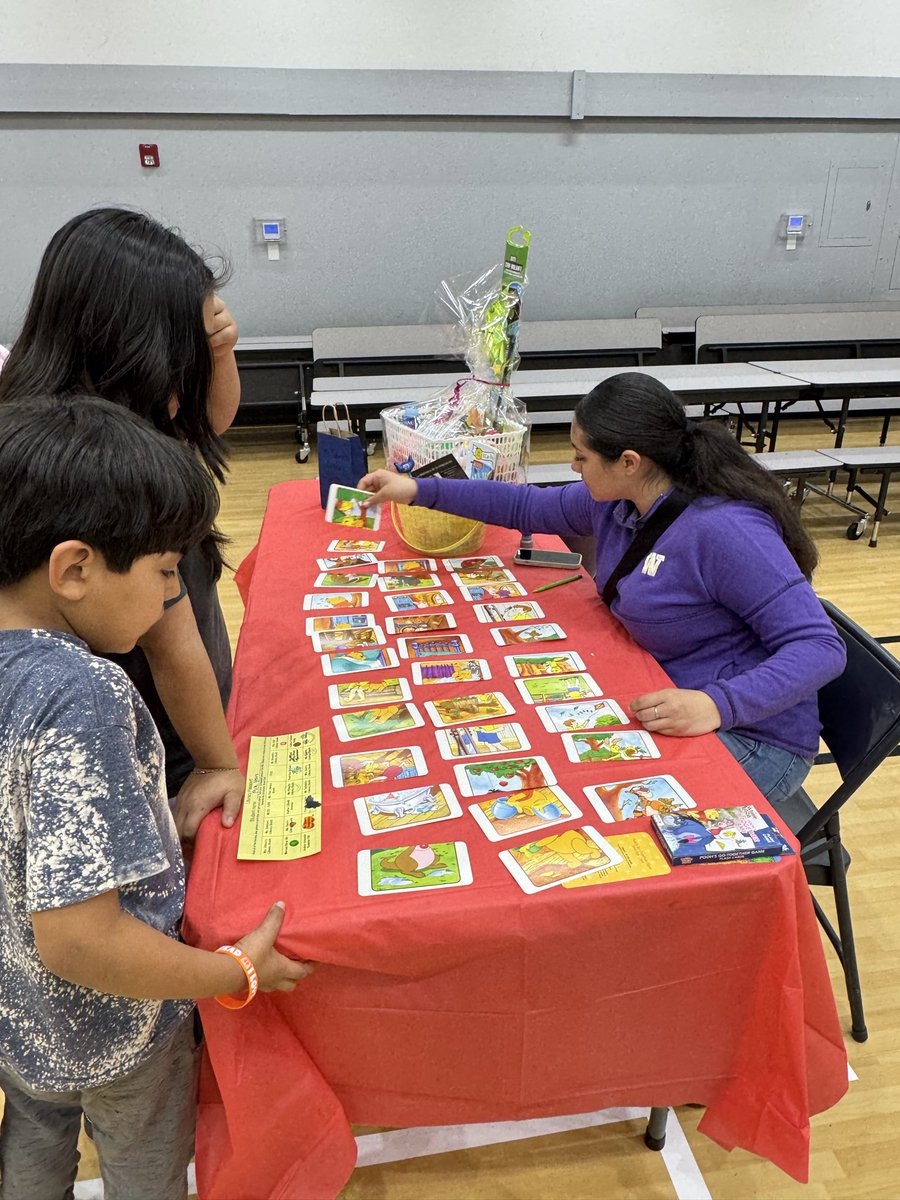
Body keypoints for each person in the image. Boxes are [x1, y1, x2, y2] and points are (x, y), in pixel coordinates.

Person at [0, 395, 312, 1200]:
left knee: (31, 1158)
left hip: (19, 1021)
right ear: (73, 569)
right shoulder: (81, 695)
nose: (172, 599)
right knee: (149, 1179)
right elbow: (79, 938)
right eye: (167, 575)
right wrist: (231, 970)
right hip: (123, 1034)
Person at [359, 372, 847, 802]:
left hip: (754, 736)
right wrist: (420, 489)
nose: (574, 467)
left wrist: (718, 704)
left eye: (581, 456)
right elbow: (526, 506)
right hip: (664, 687)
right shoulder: (616, 499)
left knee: (579, 789)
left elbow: (820, 647)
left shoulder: (725, 531)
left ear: (629, 461)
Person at [0, 207, 243, 840]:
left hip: (168, 721)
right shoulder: (98, 466)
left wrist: (218, 349)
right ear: (130, 342)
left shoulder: (90, 415)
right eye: (185, 350)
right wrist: (217, 758)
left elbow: (207, 423)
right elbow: (172, 643)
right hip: (158, 734)